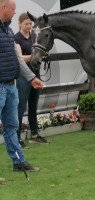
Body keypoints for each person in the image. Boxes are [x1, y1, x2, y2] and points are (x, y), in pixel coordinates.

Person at [0, 0, 43, 173]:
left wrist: (32, 77)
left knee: (11, 126)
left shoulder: (9, 31)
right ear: (4, 8)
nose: (15, 13)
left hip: (11, 86)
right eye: (13, 10)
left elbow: (17, 59)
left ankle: (18, 162)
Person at [14, 13, 49, 149]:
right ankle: (16, 139)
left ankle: (34, 135)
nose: (29, 26)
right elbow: (20, 58)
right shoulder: (16, 39)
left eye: (30, 24)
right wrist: (34, 55)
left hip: (36, 74)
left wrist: (43, 54)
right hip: (23, 77)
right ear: (20, 24)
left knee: (33, 106)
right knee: (21, 108)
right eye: (26, 24)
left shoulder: (34, 37)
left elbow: (39, 50)